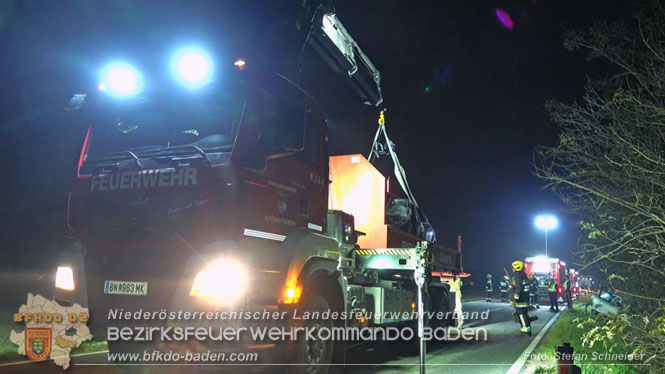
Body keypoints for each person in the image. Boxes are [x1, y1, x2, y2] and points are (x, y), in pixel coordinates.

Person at [511, 261, 532, 335]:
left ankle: (525, 327)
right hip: (525, 298)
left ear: (517, 268)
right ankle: (528, 327)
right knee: (525, 313)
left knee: (521, 313)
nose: (512, 269)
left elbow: (519, 288)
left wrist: (515, 298)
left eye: (513, 268)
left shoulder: (518, 276)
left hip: (521, 299)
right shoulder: (524, 275)